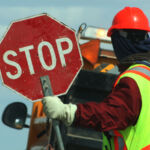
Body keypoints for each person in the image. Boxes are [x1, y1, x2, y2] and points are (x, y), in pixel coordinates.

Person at [42, 7, 150, 150]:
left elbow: (111, 114)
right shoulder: (145, 75)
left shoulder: (133, 79)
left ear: (118, 41)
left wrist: (68, 112)